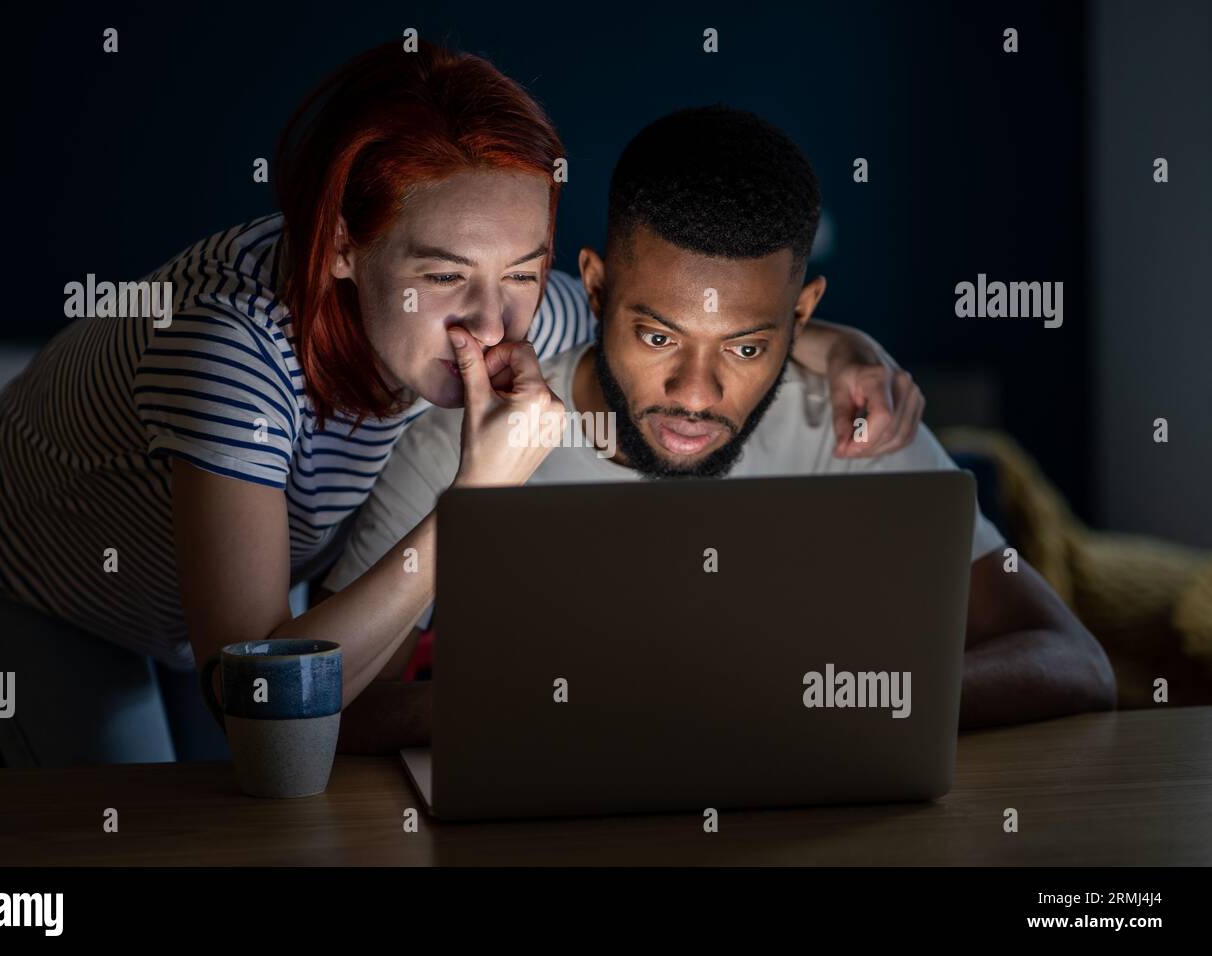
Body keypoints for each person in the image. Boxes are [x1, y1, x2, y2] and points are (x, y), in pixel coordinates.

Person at [0, 43, 925, 768]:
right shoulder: (230, 353)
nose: (492, 326)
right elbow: (257, 694)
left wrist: (849, 351)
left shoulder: (523, 310)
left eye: (523, 272)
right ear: (339, 250)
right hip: (48, 589)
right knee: (140, 834)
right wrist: (470, 504)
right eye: (444, 276)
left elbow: (674, 314)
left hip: (206, 614)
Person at [317, 106, 1118, 749]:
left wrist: (809, 711)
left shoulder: (844, 419)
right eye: (658, 337)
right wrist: (557, 719)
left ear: (802, 315)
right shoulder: (459, 447)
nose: (695, 395)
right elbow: (336, 713)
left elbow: (1072, 660)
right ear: (593, 288)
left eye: (745, 346)